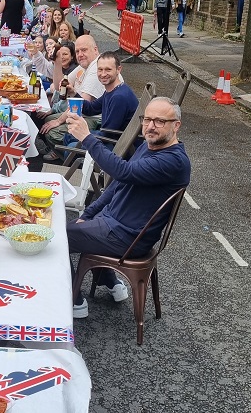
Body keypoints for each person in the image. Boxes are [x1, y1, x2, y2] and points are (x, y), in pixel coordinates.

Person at [64, 97, 191, 318]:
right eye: (147, 119)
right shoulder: (149, 145)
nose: (151, 126)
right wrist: (90, 212)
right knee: (74, 224)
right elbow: (120, 183)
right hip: (113, 224)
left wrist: (87, 137)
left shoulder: (173, 161)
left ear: (176, 125)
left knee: (57, 237)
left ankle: (75, 301)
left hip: (128, 238)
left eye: (160, 121)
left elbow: (123, 172)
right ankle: (108, 279)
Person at [36, 35, 112, 158]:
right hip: (84, 111)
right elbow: (59, 86)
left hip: (94, 119)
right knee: (46, 119)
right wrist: (57, 63)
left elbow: (81, 106)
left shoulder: (97, 68)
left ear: (95, 49)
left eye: (84, 50)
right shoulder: (84, 65)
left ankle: (65, 155)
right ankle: (62, 151)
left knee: (52, 132)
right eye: (77, 51)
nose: (80, 54)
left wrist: (59, 120)